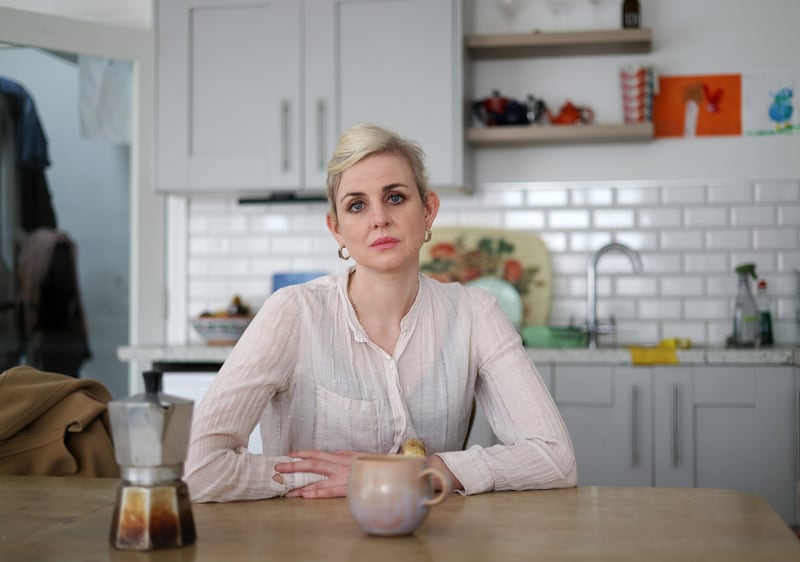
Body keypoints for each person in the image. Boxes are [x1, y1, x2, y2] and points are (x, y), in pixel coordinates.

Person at [184, 123, 577, 503]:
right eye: (357, 205)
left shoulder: (476, 313)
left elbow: (555, 459)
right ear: (336, 229)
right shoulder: (294, 313)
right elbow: (198, 470)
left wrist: (416, 472)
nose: (379, 218)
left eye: (395, 197)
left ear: (428, 210)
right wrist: (326, 478)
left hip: (431, 540)